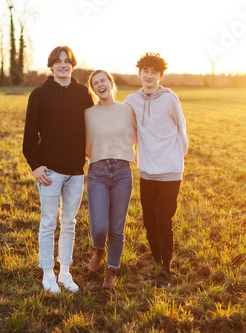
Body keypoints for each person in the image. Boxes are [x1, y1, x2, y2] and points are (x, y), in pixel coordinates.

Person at [23, 46, 93, 294]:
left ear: (73, 64)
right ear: (51, 66)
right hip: (50, 172)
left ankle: (65, 272)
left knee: (69, 224)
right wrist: (36, 166)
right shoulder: (39, 94)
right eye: (58, 61)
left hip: (75, 172)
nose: (63, 65)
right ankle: (47, 273)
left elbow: (91, 127)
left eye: (67, 61)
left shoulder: (83, 93)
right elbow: (30, 136)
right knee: (47, 223)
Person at [124, 53, 188, 288]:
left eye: (154, 72)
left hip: (170, 171)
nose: (149, 76)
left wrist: (174, 158)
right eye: (145, 71)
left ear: (161, 76)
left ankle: (166, 270)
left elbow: (182, 130)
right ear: (139, 73)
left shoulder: (170, 99)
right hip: (147, 171)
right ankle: (158, 261)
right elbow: (127, 130)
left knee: (164, 221)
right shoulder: (131, 100)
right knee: (149, 222)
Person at [85, 70, 137, 289]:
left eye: (103, 81)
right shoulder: (88, 113)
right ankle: (99, 249)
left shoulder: (127, 110)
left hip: (122, 171)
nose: (100, 85)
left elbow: (138, 135)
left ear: (111, 83)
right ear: (93, 88)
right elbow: (81, 142)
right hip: (97, 171)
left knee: (117, 227)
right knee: (99, 227)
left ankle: (111, 270)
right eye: (95, 83)